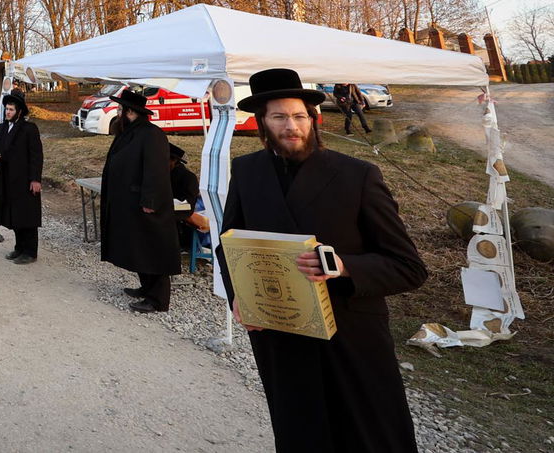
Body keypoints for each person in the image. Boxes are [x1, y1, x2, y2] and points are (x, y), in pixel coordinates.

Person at [221, 68, 427, 453]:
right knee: (301, 430)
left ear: (313, 119)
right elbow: (229, 242)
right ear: (262, 123)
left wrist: (345, 266)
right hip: (280, 331)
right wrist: (239, 297)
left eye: (299, 116)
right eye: (279, 117)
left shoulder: (358, 175)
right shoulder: (247, 171)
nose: (291, 126)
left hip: (351, 332)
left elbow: (409, 267)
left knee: (370, 433)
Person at [100, 88, 179, 313]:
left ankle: (158, 299)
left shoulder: (151, 134)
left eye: (120, 109)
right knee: (139, 248)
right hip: (130, 202)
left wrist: (150, 200)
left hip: (146, 204)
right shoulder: (130, 132)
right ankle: (146, 287)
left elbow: (155, 171)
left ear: (131, 112)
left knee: (153, 250)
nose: (117, 112)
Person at [0, 91, 42, 263]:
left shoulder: (29, 129)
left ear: (19, 112)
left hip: (24, 179)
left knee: (27, 216)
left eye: (11, 109)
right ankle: (19, 248)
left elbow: (36, 156)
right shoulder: (2, 128)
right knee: (14, 215)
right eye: (6, 109)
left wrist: (35, 179)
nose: (8, 112)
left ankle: (30, 252)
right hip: (6, 178)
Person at [168, 144, 207, 250]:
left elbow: (187, 207)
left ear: (174, 160)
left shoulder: (187, 178)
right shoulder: (162, 175)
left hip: (179, 225)